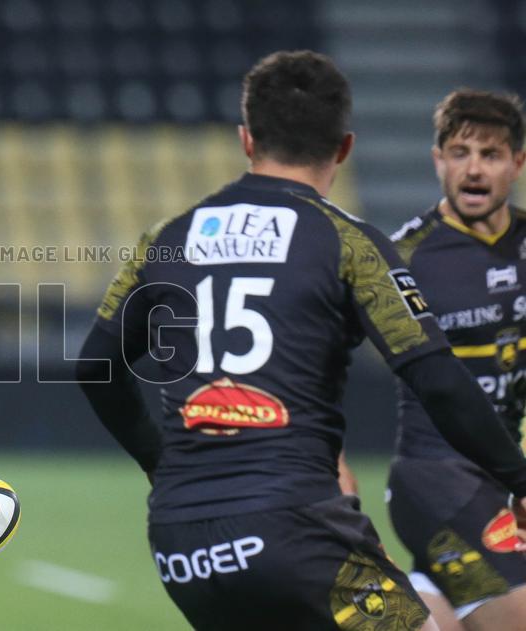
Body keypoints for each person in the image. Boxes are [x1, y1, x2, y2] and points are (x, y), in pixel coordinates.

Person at [76, 50, 526, 631]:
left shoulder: (166, 237)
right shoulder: (349, 241)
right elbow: (438, 381)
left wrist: (160, 464)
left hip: (183, 545)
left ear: (246, 139)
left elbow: (94, 366)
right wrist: (519, 480)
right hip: (297, 533)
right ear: (344, 147)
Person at [388, 89, 526, 631]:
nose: (473, 169)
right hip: (435, 482)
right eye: (460, 152)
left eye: (490, 155)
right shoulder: (404, 257)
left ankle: (419, 600)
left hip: (501, 485)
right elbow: (321, 357)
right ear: (437, 160)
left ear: (518, 163)